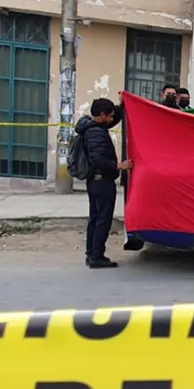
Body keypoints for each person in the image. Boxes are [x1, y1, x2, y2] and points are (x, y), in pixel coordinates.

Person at [76, 98, 131, 269]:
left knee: (95, 218)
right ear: (102, 115)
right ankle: (97, 256)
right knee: (102, 220)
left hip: (96, 182)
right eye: (110, 116)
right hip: (102, 181)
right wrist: (119, 166)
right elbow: (98, 160)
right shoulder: (95, 133)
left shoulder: (93, 127)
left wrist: (123, 104)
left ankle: (92, 253)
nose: (111, 119)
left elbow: (113, 119)